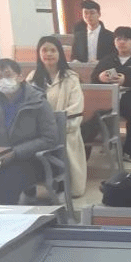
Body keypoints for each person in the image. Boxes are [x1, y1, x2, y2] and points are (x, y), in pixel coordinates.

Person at [0, 59, 57, 205]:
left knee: (8, 185)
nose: (3, 80)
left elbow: (50, 138)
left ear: (20, 77)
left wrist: (15, 152)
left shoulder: (38, 101)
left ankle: (4, 218)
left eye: (8, 75)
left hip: (33, 160)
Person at [28, 36, 87, 198]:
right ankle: (32, 186)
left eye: (53, 50)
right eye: (44, 50)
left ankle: (62, 186)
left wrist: (55, 127)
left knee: (61, 147)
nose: (48, 54)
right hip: (39, 132)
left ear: (60, 53)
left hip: (65, 130)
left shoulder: (70, 78)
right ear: (39, 53)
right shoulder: (32, 78)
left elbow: (76, 108)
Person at [90, 26, 131, 164]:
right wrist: (100, 77)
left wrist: (126, 81)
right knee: (91, 114)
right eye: (118, 39)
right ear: (114, 42)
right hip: (108, 98)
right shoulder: (108, 59)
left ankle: (130, 151)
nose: (122, 42)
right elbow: (93, 78)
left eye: (126, 39)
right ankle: (91, 149)